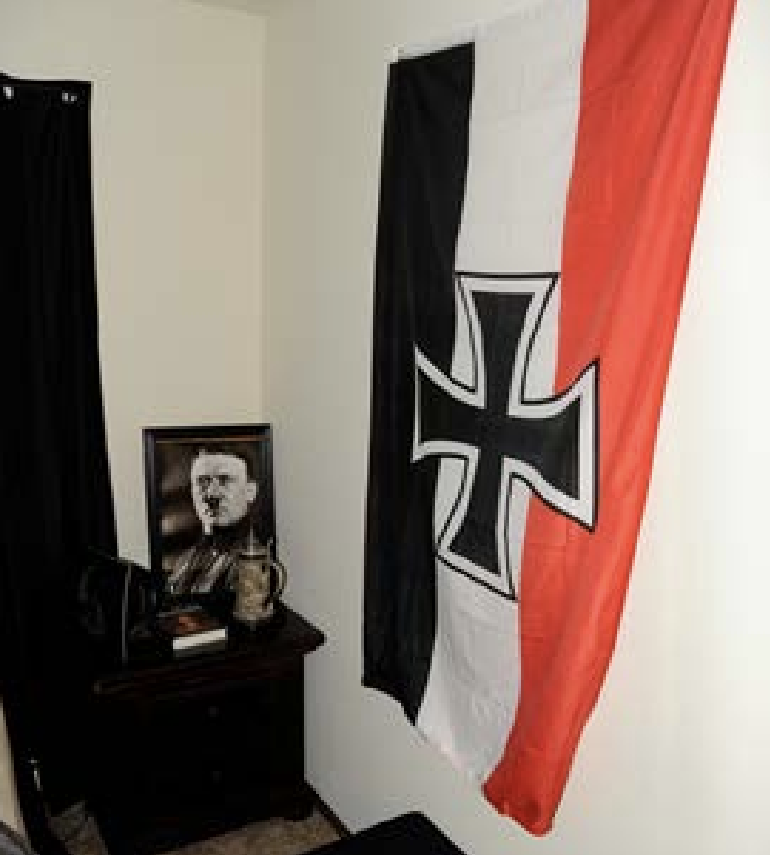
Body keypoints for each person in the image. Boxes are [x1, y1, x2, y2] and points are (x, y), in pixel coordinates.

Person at [166, 448, 258, 596]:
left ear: (250, 491)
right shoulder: (184, 561)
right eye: (202, 481)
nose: (212, 494)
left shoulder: (256, 560)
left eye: (225, 480)